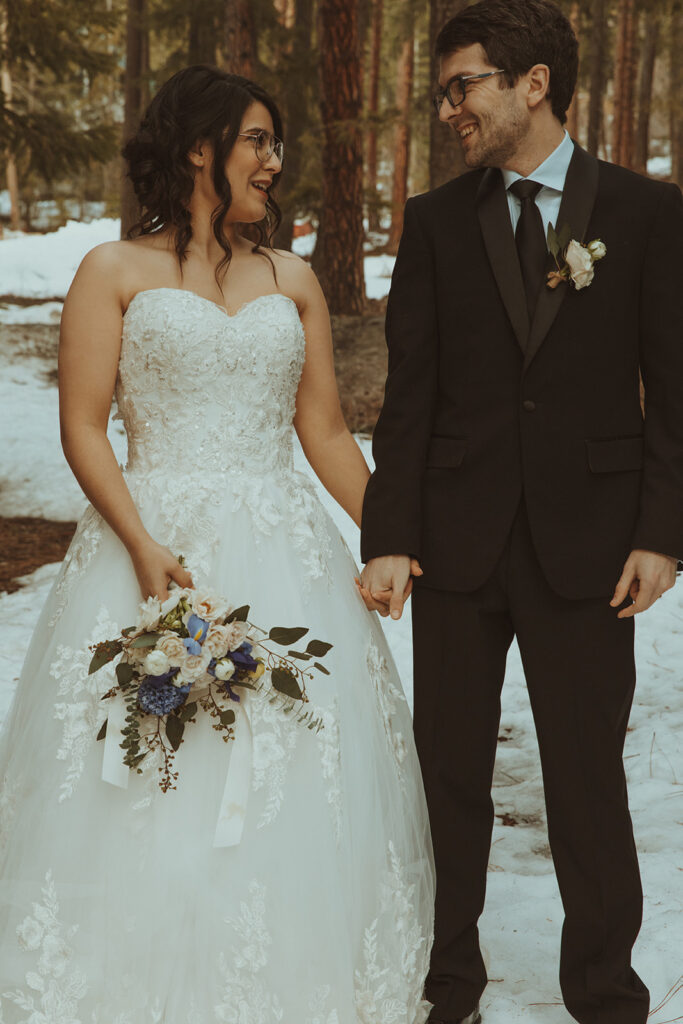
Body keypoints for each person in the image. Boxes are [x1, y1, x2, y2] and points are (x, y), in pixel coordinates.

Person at [0, 65, 434, 1023]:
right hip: (150, 546)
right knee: (148, 764)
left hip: (286, 557)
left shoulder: (292, 279)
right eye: (256, 141)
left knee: (293, 769)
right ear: (198, 148)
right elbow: (82, 426)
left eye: (276, 145)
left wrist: (391, 537)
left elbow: (323, 433)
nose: (274, 163)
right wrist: (143, 544)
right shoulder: (113, 272)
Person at [359, 2, 683, 1023]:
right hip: (451, 540)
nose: (447, 105)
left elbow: (672, 388)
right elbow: (407, 394)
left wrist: (661, 531)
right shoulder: (435, 220)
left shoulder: (643, 212)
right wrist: (389, 535)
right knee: (446, 772)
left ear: (530, 83)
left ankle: (602, 987)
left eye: (463, 84)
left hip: (589, 545)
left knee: (585, 776)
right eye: (443, 87)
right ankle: (445, 977)